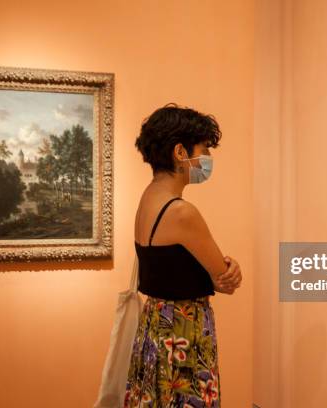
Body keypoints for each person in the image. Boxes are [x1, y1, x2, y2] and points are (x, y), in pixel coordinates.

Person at [124, 103, 242, 408]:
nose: (208, 158)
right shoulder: (182, 212)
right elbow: (224, 280)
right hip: (182, 331)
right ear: (180, 152)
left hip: (154, 326)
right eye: (204, 148)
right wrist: (230, 268)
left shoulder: (148, 198)